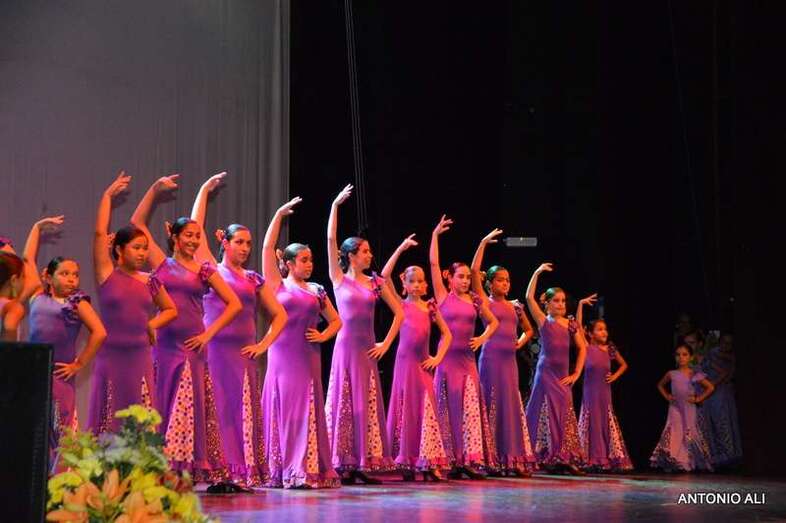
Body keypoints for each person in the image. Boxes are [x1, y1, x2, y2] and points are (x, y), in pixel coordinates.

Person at [131, 174, 242, 482]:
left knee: (187, 404)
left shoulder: (204, 269)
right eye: (188, 235)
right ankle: (158, 465)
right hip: (163, 343)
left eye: (198, 235)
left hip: (192, 344)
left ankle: (183, 467)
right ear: (175, 237)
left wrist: (208, 333)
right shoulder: (161, 263)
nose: (194, 240)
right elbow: (137, 224)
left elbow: (233, 303)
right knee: (162, 401)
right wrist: (154, 190)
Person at [260, 196, 342, 488]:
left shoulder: (317, 289)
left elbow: (337, 321)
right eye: (304, 260)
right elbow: (267, 248)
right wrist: (278, 215)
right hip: (283, 357)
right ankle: (284, 469)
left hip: (308, 357)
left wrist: (323, 335)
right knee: (285, 410)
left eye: (311, 260)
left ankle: (302, 468)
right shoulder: (277, 285)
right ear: (288, 263)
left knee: (305, 410)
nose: (309, 264)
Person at [324, 184, 404, 484]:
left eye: (369, 251)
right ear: (351, 255)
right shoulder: (338, 278)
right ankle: (341, 462)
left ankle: (360, 463)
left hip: (367, 350)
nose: (370, 255)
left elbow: (400, 313)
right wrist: (335, 206)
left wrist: (386, 343)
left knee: (364, 405)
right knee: (344, 402)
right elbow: (330, 239)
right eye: (366, 251)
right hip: (345, 349)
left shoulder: (375, 283)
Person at [88, 172, 178, 434]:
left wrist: (152, 324)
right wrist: (107, 196)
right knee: (108, 423)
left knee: (141, 425)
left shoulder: (150, 280)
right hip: (110, 358)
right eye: (136, 248)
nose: (142, 253)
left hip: (140, 358)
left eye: (144, 248)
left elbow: (170, 309)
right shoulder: (106, 274)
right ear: (119, 249)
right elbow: (99, 233)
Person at [429, 215, 499, 480]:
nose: (466, 281)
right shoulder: (442, 296)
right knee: (447, 410)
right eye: (461, 277)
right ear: (450, 278)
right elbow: (434, 264)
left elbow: (493, 323)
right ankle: (447, 459)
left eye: (468, 277)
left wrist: (482, 338)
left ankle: (468, 459)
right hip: (446, 361)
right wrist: (435, 236)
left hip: (467, 362)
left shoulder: (475, 300)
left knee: (468, 411)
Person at [382, 235, 451, 481]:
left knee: (425, 408)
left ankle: (428, 460)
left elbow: (447, 334)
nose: (418, 285)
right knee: (406, 408)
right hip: (404, 364)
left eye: (421, 281)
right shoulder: (400, 305)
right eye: (413, 281)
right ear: (405, 283)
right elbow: (384, 276)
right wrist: (400, 248)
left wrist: (437, 357)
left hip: (422, 365)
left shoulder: (430, 307)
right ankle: (406, 460)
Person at [471, 228, 536, 477]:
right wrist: (483, 242)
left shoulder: (515, 306)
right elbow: (474, 271)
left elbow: (529, 330)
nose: (505, 284)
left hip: (509, 362)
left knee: (509, 406)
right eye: (500, 280)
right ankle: (492, 459)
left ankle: (511, 458)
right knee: (492, 403)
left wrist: (520, 342)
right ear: (490, 283)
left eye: (507, 280)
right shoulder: (484, 302)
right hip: (490, 360)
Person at [524, 263, 587, 474]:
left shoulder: (571, 324)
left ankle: (563, 456)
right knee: (544, 412)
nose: (561, 304)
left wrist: (576, 373)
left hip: (563, 376)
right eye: (556, 301)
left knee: (564, 413)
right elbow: (529, 297)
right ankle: (542, 455)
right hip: (545, 374)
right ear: (547, 304)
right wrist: (537, 272)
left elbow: (583, 348)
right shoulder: (544, 321)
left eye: (563, 301)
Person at [651, 344, 714, 472]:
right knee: (675, 431)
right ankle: (675, 460)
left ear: (691, 357)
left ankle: (691, 461)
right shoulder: (671, 373)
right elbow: (660, 385)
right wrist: (667, 396)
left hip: (689, 407)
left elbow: (710, 387)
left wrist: (698, 399)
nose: (681, 357)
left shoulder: (694, 374)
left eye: (684, 354)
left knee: (690, 432)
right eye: (678, 355)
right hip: (675, 407)